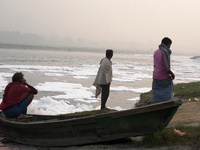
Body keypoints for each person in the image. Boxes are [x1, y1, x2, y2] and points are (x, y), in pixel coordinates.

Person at [151, 37, 175, 104]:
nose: (170, 47)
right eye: (170, 45)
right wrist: (171, 73)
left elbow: (155, 64)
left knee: (156, 90)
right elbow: (165, 65)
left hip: (155, 75)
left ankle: (155, 103)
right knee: (169, 86)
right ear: (168, 44)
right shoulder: (164, 51)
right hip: (163, 75)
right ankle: (167, 102)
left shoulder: (156, 52)